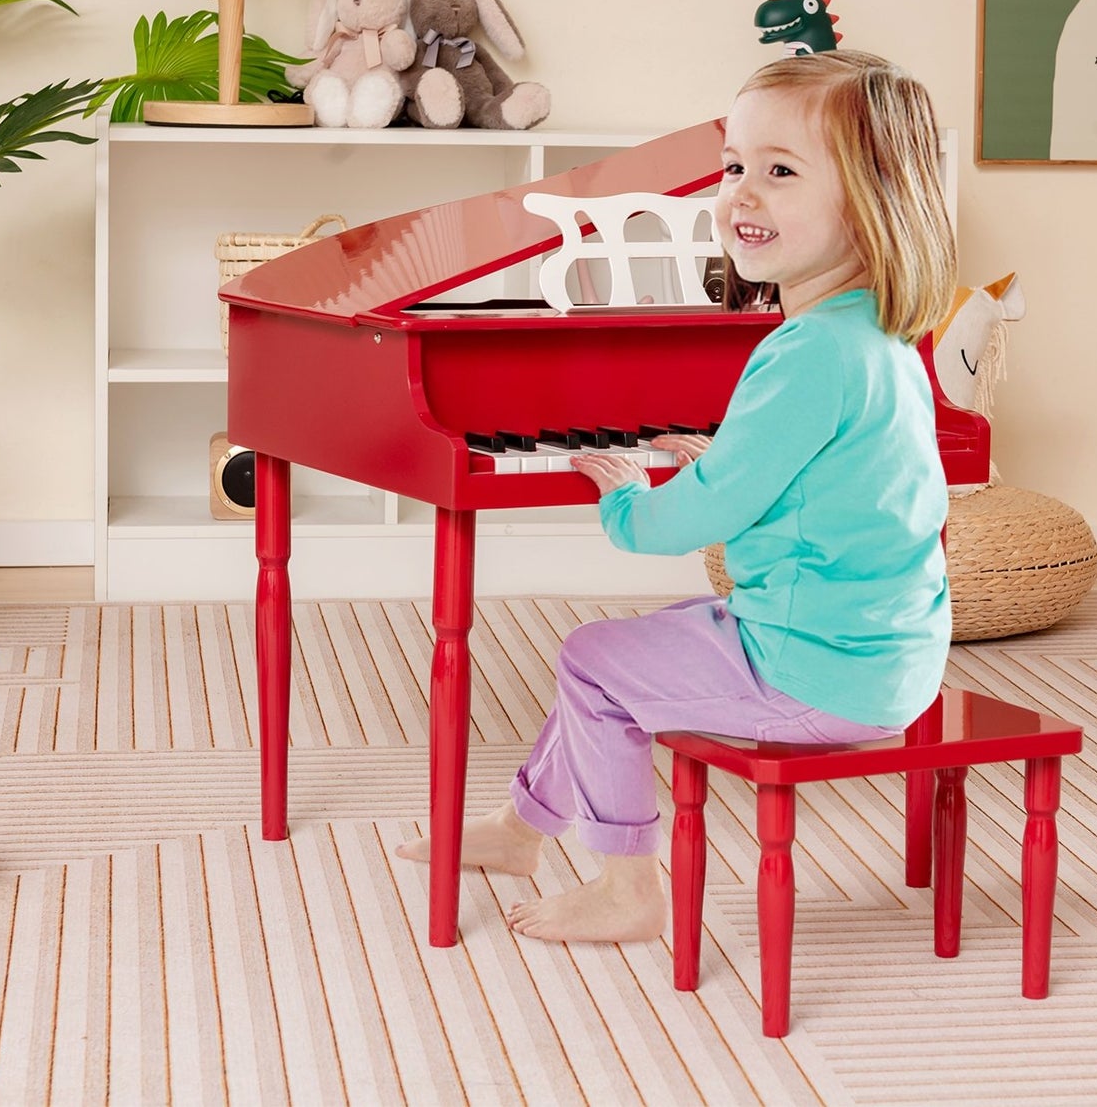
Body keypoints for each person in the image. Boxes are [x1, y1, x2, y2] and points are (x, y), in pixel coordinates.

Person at [399, 50, 957, 944]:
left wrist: (626, 496)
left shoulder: (804, 352)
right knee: (652, 640)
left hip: (816, 669)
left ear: (871, 197)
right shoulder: (876, 336)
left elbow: (683, 524)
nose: (740, 193)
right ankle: (517, 831)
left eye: (780, 172)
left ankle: (628, 889)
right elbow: (849, 480)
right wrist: (732, 455)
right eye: (734, 166)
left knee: (592, 657)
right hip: (887, 649)